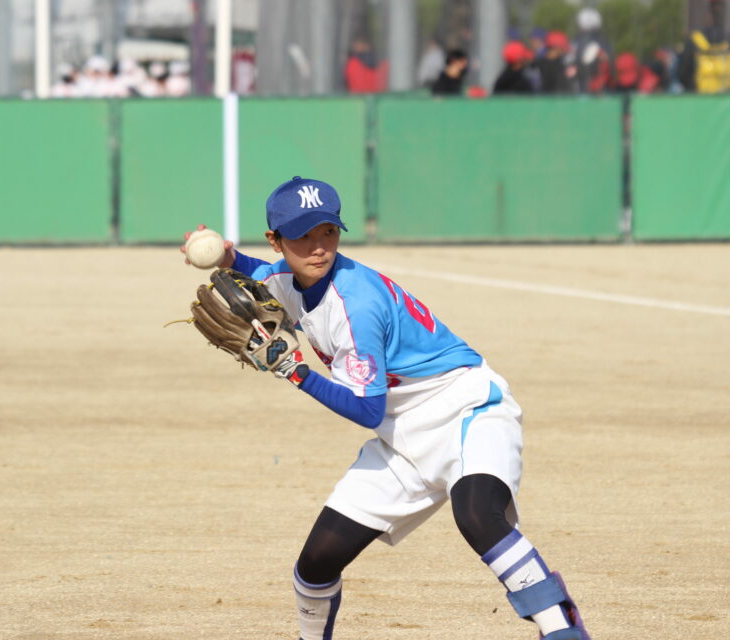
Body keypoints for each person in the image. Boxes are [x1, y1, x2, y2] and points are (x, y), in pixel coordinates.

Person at [179, 177, 591, 640]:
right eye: (302, 237)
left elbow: (366, 409)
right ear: (276, 241)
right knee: (317, 562)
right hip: (401, 436)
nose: (318, 248)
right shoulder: (284, 279)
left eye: (328, 232)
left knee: (477, 515)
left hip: (466, 410)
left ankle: (563, 631)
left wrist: (294, 371)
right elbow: (268, 278)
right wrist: (230, 259)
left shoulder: (357, 305)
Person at [677, 0, 730, 93]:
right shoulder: (695, 40)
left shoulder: (694, 40)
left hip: (701, 99)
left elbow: (683, 74)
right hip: (724, 101)